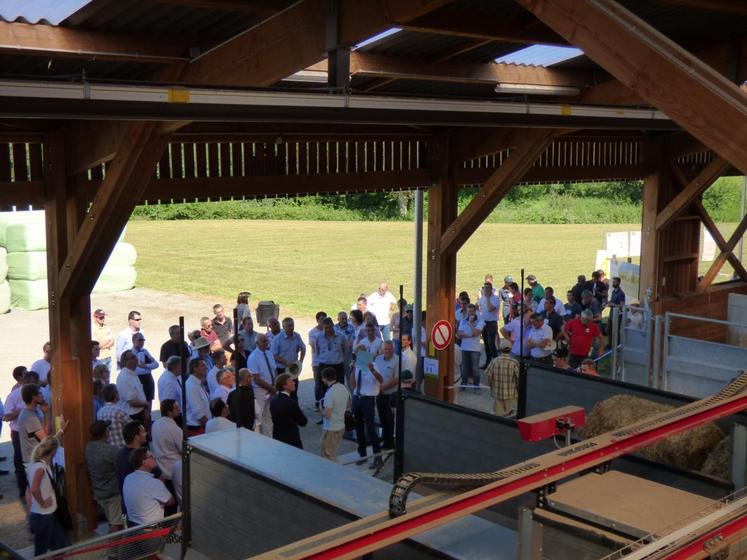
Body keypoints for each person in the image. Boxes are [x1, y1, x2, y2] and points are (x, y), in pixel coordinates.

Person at [27, 436, 69, 555]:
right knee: (41, 551)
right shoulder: (40, 468)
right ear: (54, 451)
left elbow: (29, 491)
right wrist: (43, 503)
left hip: (47, 514)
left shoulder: (37, 465)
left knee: (61, 546)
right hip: (43, 516)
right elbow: (34, 489)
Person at [350, 333, 383, 468]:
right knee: (358, 427)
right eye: (358, 354)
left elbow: (381, 380)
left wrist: (373, 370)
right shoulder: (356, 366)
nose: (360, 357)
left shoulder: (374, 364)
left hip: (368, 399)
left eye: (362, 354)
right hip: (357, 397)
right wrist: (352, 369)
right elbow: (353, 384)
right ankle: (362, 454)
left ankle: (377, 457)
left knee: (370, 428)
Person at [85, 421, 122, 533]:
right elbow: (120, 468)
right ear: (106, 433)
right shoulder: (111, 450)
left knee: (112, 520)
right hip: (113, 493)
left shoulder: (88, 447)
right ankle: (112, 549)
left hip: (98, 491)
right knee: (117, 523)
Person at [122, 448, 175, 526]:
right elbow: (171, 501)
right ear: (144, 462)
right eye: (150, 456)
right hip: (151, 531)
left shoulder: (128, 478)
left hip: (134, 528)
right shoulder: (154, 483)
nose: (154, 457)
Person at [18, 384, 66, 466]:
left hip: (38, 459)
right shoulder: (30, 417)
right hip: (34, 461)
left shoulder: (33, 412)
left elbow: (46, 432)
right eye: (40, 394)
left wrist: (46, 413)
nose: (42, 395)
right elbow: (46, 441)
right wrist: (61, 430)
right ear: (33, 397)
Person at [4, 366, 28, 498]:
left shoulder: (37, 391)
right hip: (18, 432)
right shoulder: (14, 393)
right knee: (20, 460)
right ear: (20, 378)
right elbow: (6, 417)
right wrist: (20, 410)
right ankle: (22, 488)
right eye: (25, 374)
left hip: (34, 430)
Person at [370, 341, 399, 449]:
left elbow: (397, 380)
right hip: (379, 395)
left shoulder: (397, 361)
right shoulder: (377, 360)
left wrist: (383, 387)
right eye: (385, 349)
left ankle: (390, 443)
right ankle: (386, 441)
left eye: (389, 349)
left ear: (393, 349)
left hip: (391, 396)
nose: (387, 351)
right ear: (382, 349)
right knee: (382, 419)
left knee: (390, 420)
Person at [246, 334, 276, 436]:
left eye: (267, 341)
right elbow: (256, 378)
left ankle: (269, 438)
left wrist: (274, 385)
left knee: (268, 416)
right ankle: (258, 438)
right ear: (257, 343)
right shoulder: (253, 357)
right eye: (263, 341)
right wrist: (271, 388)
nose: (266, 343)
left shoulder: (269, 353)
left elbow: (274, 370)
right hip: (260, 390)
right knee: (259, 416)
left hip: (271, 388)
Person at [271, 317, 306, 400]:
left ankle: (294, 410)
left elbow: (303, 348)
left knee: (294, 391)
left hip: (293, 369)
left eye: (292, 325)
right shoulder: (277, 339)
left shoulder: (297, 336)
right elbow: (273, 355)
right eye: (289, 326)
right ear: (283, 327)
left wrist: (300, 361)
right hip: (281, 370)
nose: (291, 328)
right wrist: (285, 362)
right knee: (282, 392)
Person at [320, 367, 350, 462]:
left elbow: (327, 415)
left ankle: (337, 474)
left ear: (324, 378)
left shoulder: (329, 394)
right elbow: (349, 403)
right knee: (332, 452)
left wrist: (321, 408)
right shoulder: (343, 387)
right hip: (341, 426)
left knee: (328, 455)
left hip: (331, 428)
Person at [269, 373, 307, 449]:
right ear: (284, 386)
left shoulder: (273, 399)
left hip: (278, 437)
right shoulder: (291, 402)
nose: (294, 383)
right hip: (291, 439)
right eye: (290, 381)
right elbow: (303, 422)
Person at [150, 400, 183, 480]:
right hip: (174, 468)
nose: (179, 409)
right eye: (176, 408)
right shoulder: (175, 429)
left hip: (161, 466)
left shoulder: (155, 424)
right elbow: (183, 449)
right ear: (169, 412)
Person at [485, 347, 520, 416]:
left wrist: (491, 387)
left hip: (497, 393)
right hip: (511, 394)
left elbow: (488, 376)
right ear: (510, 350)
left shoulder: (494, 361)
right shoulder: (514, 362)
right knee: (511, 416)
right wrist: (517, 387)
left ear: (500, 350)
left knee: (498, 416)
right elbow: (519, 378)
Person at [116, 350, 149, 423]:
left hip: (139, 412)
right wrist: (146, 404)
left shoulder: (132, 373)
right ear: (125, 362)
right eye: (133, 357)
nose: (136, 358)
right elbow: (132, 402)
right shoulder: (125, 377)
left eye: (135, 356)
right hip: (132, 415)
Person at [457, 303, 484, 392]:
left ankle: (476, 387)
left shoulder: (480, 321)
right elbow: (459, 334)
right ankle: (464, 384)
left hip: (475, 349)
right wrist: (470, 335)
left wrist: (470, 324)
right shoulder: (463, 320)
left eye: (472, 311)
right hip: (464, 348)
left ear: (475, 311)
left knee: (475, 369)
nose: (470, 314)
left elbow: (476, 333)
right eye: (468, 312)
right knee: (464, 368)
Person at [316, 317, 348, 387]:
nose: (328, 329)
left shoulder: (341, 337)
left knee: (339, 388)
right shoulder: (319, 337)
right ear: (323, 327)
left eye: (330, 327)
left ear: (333, 325)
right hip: (324, 367)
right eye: (326, 328)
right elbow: (317, 351)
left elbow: (345, 351)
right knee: (323, 389)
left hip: (337, 367)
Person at [115, 421, 147, 492]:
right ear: (136, 437)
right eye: (143, 432)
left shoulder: (120, 453)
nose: (146, 434)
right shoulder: (140, 456)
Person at [185, 359, 210, 436]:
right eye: (203, 365)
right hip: (197, 428)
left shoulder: (197, 383)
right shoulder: (191, 385)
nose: (206, 367)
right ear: (195, 369)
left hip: (203, 426)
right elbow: (198, 413)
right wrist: (210, 427)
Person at [132, 333, 158, 406]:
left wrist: (145, 366)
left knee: (149, 400)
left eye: (143, 340)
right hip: (138, 379)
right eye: (140, 340)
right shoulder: (130, 353)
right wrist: (147, 368)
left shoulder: (145, 352)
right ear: (133, 340)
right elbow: (134, 370)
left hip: (148, 378)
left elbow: (156, 364)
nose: (142, 342)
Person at [308, 311, 327, 410]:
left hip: (327, 360)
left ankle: (325, 401)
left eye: (325, 319)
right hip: (317, 361)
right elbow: (314, 347)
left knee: (326, 382)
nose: (323, 321)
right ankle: (317, 402)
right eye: (321, 319)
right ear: (317, 320)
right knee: (318, 383)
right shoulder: (312, 332)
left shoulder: (328, 331)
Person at [478, 282, 500, 365]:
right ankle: (488, 362)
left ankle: (496, 363)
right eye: (484, 288)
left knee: (491, 344)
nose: (486, 289)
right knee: (486, 345)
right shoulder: (482, 298)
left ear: (491, 289)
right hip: (484, 323)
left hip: (492, 324)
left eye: (487, 288)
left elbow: (490, 309)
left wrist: (487, 298)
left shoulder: (495, 298)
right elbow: (477, 306)